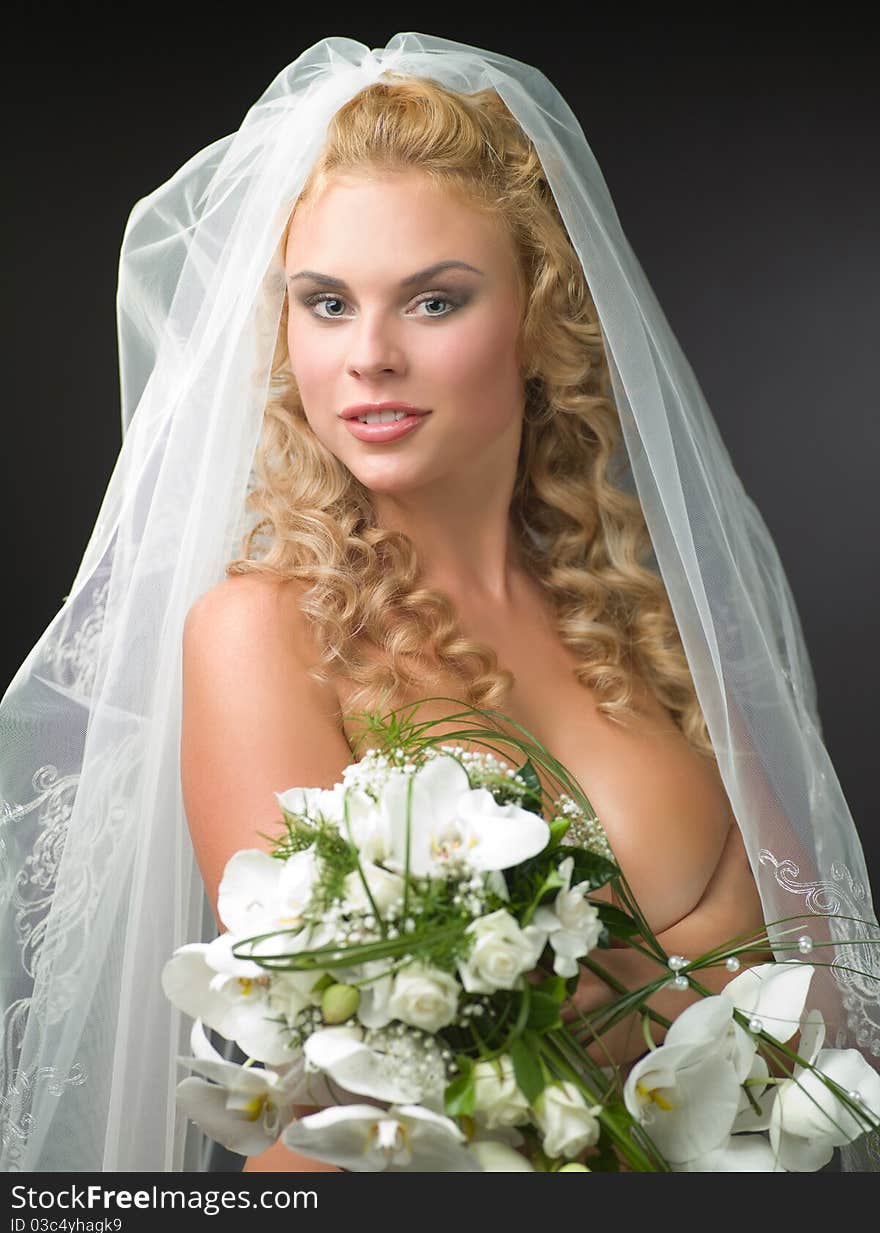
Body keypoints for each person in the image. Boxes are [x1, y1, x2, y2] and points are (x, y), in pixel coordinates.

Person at [1, 34, 878, 1175]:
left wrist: (610, 1014)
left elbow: (824, 1017)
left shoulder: (639, 622)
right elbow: (361, 1066)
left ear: (537, 318)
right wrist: (684, 1002)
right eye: (324, 304)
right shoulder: (261, 635)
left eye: (431, 300)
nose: (367, 356)